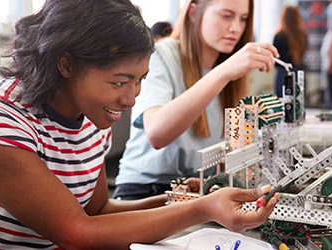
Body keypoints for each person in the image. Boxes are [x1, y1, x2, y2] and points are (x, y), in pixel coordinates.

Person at [0, 0, 279, 249]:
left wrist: (182, 199)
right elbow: (77, 232)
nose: (130, 99)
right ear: (66, 64)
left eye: (139, 80)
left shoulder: (92, 120)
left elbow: (98, 211)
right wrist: (201, 208)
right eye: (119, 81)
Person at [114, 0, 279, 200]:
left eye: (243, 19)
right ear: (193, 12)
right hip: (146, 192)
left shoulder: (230, 72)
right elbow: (157, 133)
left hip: (199, 190)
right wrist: (223, 72)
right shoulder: (161, 55)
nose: (236, 28)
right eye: (226, 15)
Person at [272, 6, 308, 97]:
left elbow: (275, 59)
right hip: (299, 73)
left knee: (283, 104)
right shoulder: (303, 35)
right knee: (299, 104)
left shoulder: (279, 36)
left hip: (284, 74)